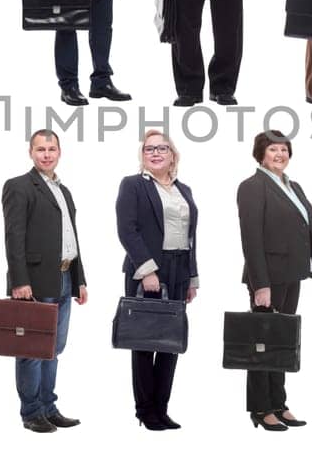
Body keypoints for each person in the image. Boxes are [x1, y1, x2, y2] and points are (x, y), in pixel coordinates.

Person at [236, 130, 312, 430]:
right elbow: (251, 240)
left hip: (293, 275)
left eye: (284, 149)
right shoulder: (252, 187)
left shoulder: (292, 186)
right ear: (261, 154)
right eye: (273, 149)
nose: (279, 155)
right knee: (261, 346)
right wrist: (261, 285)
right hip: (268, 279)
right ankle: (260, 408)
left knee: (280, 343)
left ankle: (278, 404)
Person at [2, 129, 89, 432]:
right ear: (31, 153)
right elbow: (14, 237)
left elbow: (72, 237)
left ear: (59, 152)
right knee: (31, 350)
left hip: (64, 277)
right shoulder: (19, 186)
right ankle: (31, 412)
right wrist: (19, 280)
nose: (46, 154)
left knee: (53, 348)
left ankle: (49, 407)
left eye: (51, 149)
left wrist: (79, 280)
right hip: (35, 282)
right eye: (40, 149)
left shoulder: (63, 191)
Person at [114, 129, 199, 430]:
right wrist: (147, 269)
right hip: (148, 269)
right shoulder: (134, 185)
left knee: (170, 342)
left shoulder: (184, 190)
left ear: (173, 155)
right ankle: (145, 411)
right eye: (149, 149)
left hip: (179, 268)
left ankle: (161, 409)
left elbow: (191, 236)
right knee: (144, 341)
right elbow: (128, 230)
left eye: (162, 148)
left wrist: (192, 277)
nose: (155, 152)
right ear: (143, 156)